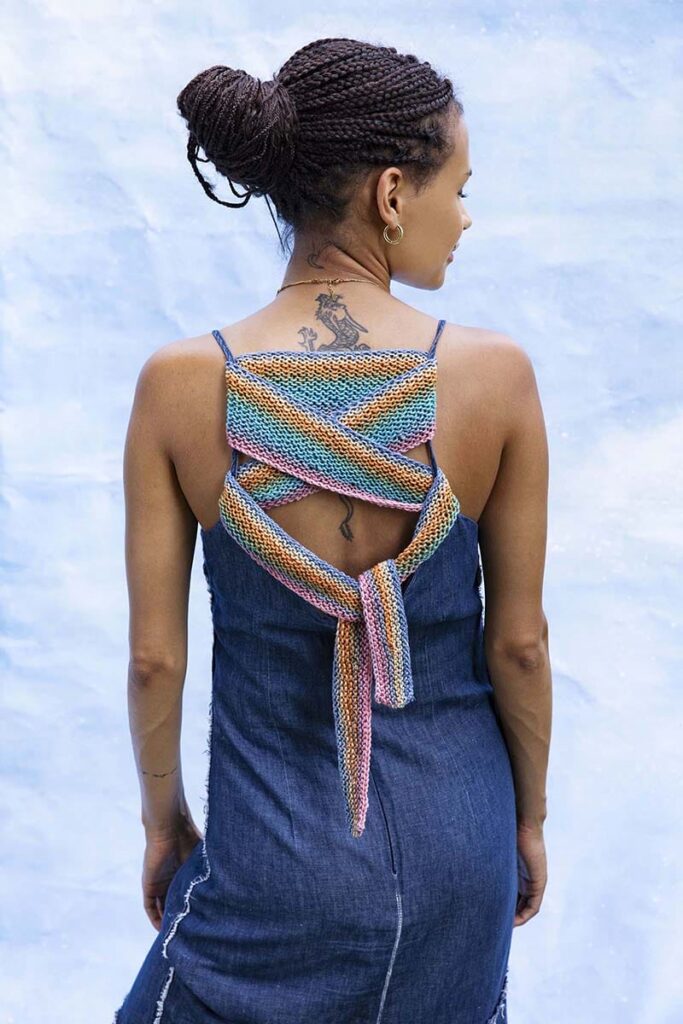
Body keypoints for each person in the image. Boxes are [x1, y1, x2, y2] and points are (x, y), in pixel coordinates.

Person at [113, 36, 551, 1024]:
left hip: (273, 860)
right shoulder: (495, 379)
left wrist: (163, 823)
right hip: (460, 847)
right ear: (391, 194)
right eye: (458, 189)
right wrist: (524, 822)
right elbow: (519, 645)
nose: (464, 218)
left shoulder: (178, 385)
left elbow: (154, 662)